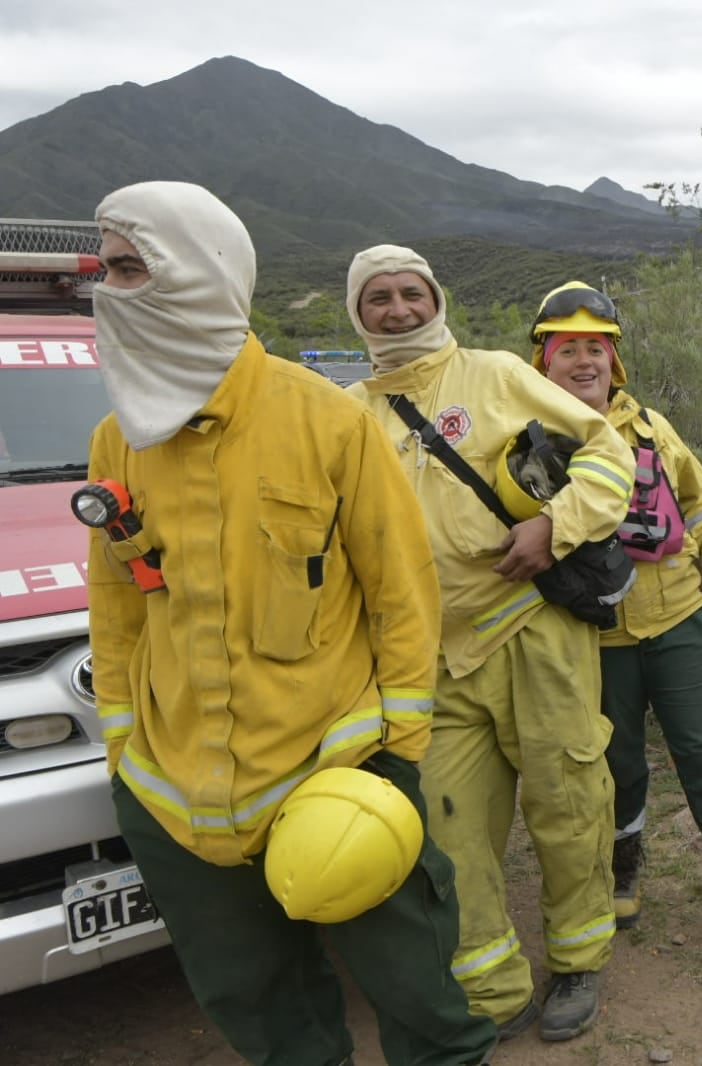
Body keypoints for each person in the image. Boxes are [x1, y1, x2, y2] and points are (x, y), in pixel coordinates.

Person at [85, 182, 497, 1066]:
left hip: (334, 775)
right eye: (106, 268)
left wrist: (398, 751)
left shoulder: (326, 418)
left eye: (128, 268)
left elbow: (402, 590)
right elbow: (116, 605)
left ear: (197, 276)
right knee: (264, 1013)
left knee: (419, 998)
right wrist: (125, 752)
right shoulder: (118, 440)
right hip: (176, 795)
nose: (106, 290)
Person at [345, 247, 634, 1043]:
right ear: (356, 314)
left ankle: (579, 961)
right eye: (378, 299)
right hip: (427, 658)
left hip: (530, 632)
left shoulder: (496, 372)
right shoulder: (349, 412)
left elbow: (608, 451)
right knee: (448, 833)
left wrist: (557, 524)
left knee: (567, 802)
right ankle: (493, 988)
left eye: (411, 293)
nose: (398, 309)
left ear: (435, 297)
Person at [532, 280, 702, 957]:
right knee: (614, 762)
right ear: (544, 363)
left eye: (595, 349)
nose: (584, 362)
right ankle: (622, 872)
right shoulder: (528, 441)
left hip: (676, 619)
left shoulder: (651, 428)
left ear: (613, 362)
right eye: (568, 351)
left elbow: (697, 499)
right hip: (594, 634)